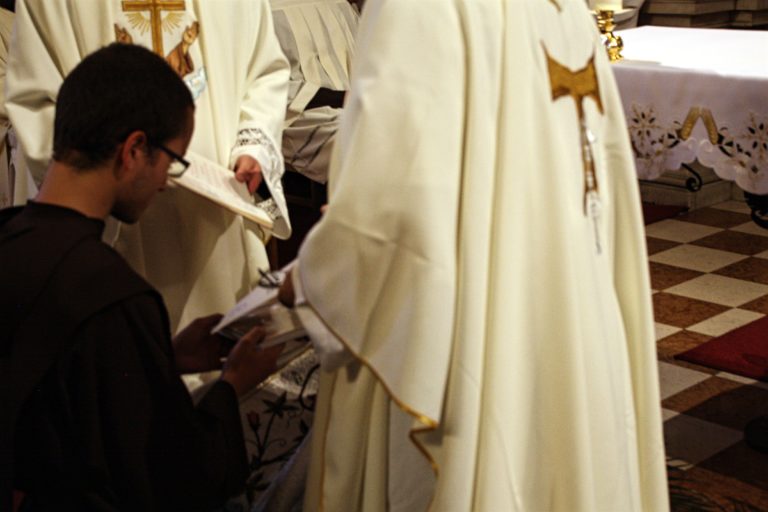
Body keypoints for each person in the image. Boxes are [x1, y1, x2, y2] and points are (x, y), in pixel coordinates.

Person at [280, 0, 670, 510]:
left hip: (464, 319)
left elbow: (390, 204)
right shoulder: (567, 9)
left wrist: (309, 278)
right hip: (567, 299)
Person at [0, 43, 283, 511]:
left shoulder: (10, 238)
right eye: (171, 161)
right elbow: (174, 480)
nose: (166, 182)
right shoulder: (114, 296)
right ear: (134, 150)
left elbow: (57, 395)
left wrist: (162, 360)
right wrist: (233, 384)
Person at [6, 0, 291, 333]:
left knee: (213, 340)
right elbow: (36, 99)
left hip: (214, 212)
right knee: (107, 336)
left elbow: (265, 72)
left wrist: (253, 145)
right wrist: (108, 171)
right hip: (108, 223)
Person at [270, 0, 359, 184]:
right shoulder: (256, 9)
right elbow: (262, 83)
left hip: (356, 97)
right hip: (296, 112)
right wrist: (342, 97)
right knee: (369, 138)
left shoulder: (340, 4)